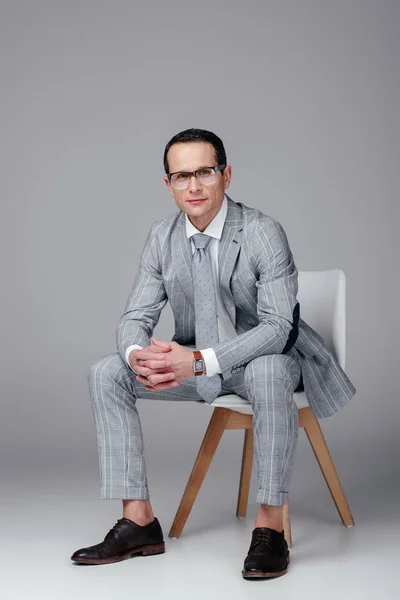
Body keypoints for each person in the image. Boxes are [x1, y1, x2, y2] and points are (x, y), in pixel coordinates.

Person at [71, 128, 356, 579]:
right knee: (106, 371)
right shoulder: (161, 237)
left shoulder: (262, 232)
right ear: (168, 184)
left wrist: (199, 361)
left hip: (271, 361)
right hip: (197, 365)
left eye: (204, 172)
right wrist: (138, 356)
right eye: (181, 176)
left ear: (226, 175)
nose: (194, 186)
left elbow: (279, 328)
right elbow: (135, 316)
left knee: (265, 371)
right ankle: (139, 521)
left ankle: (270, 527)